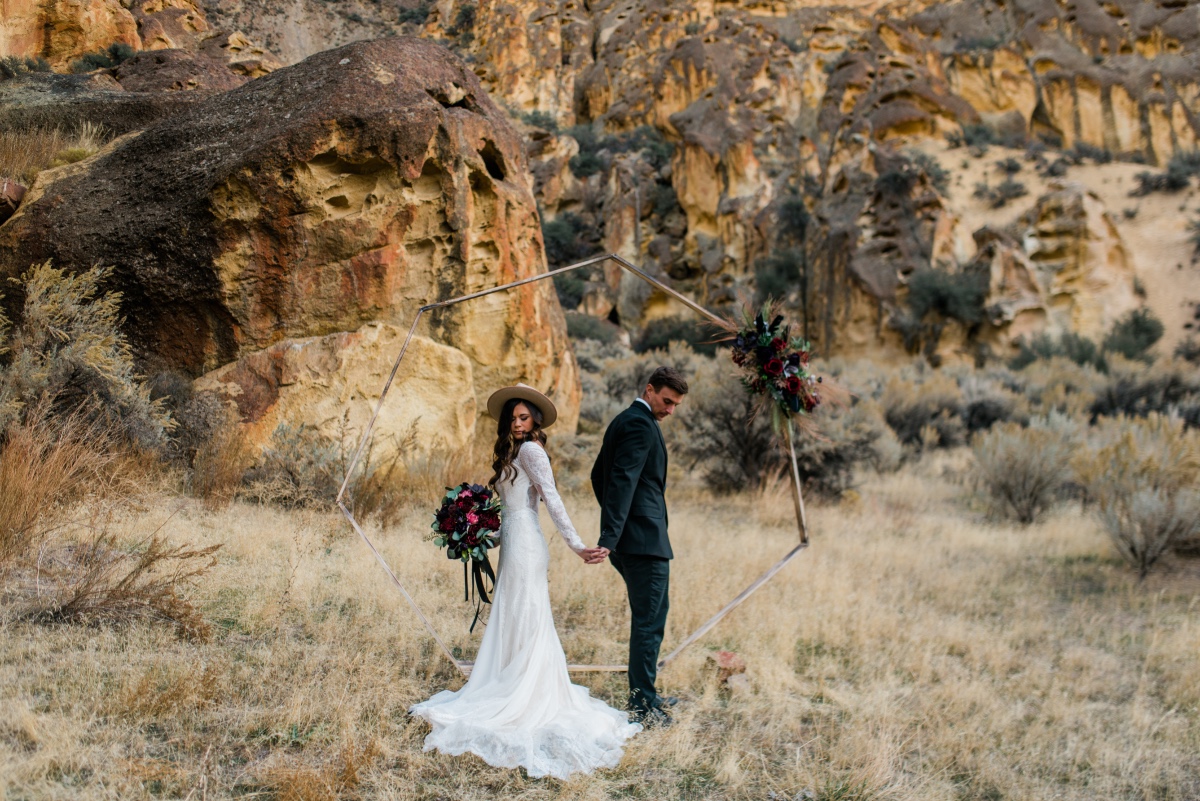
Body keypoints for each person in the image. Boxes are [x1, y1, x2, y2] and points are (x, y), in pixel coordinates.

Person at [410, 383, 640, 779]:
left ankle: (523, 693)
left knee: (527, 615)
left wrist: (578, 545)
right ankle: (509, 679)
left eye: (523, 417)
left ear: (534, 420)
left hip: (528, 548)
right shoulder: (512, 454)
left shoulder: (532, 451)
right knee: (514, 615)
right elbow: (514, 512)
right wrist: (476, 536)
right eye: (512, 418)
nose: (517, 424)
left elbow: (550, 499)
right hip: (513, 543)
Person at [591, 366, 688, 726]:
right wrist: (613, 536)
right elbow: (620, 480)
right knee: (649, 621)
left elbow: (597, 476)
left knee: (653, 616)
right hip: (643, 543)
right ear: (649, 389)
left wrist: (617, 533)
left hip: (639, 539)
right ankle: (642, 706)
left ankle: (646, 693)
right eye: (666, 401)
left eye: (676, 405)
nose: (670, 410)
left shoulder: (627, 420)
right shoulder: (638, 424)